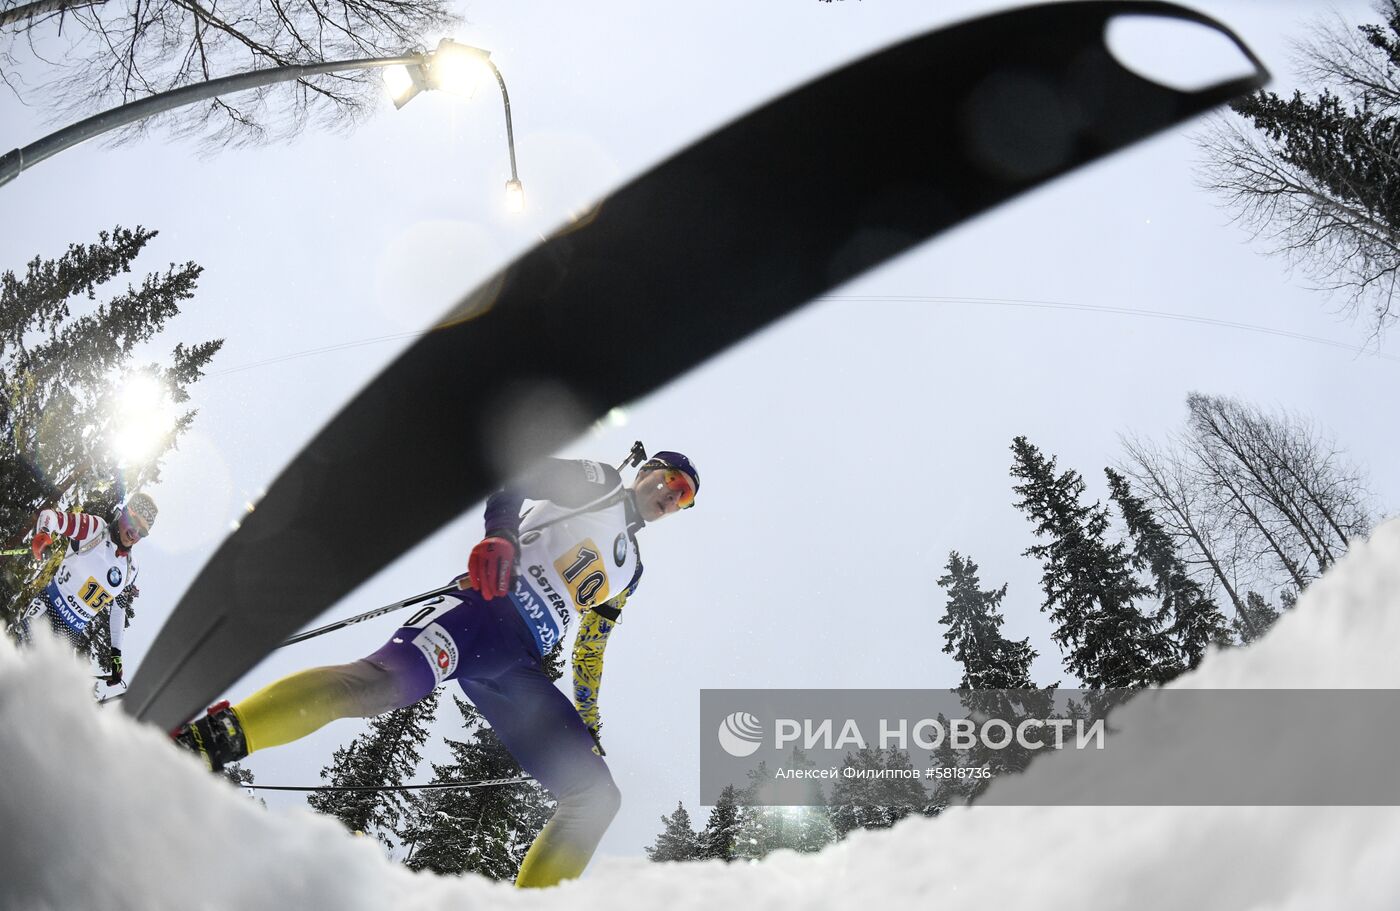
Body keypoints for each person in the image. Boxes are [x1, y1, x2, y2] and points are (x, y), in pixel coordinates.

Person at [175, 450, 700, 888]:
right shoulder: (602, 483)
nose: (672, 498)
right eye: (672, 481)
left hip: (519, 665)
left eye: (685, 499)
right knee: (375, 686)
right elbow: (517, 476)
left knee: (596, 797)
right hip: (482, 609)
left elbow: (592, 646)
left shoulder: (631, 569)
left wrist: (589, 715)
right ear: (648, 470)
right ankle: (209, 740)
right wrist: (501, 535)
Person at [16, 492, 158, 685]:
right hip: (47, 610)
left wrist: (116, 654)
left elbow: (118, 609)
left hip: (70, 635)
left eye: (142, 532)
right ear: (124, 513)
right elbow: (51, 516)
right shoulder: (95, 529)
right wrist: (44, 532)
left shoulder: (131, 569)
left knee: (44, 692)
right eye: (134, 522)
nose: (135, 533)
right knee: (18, 665)